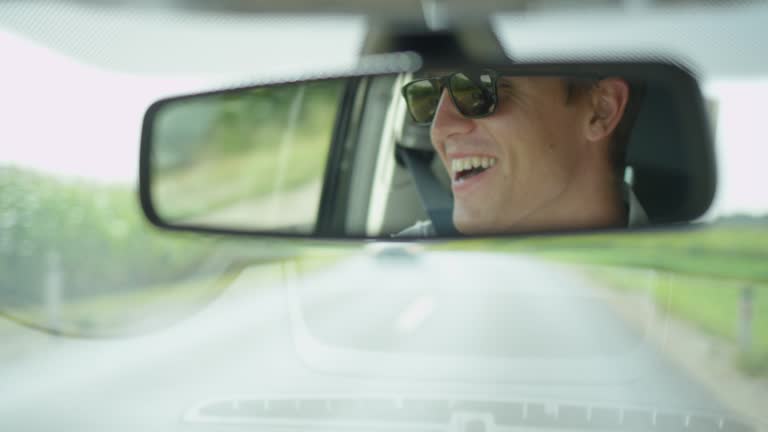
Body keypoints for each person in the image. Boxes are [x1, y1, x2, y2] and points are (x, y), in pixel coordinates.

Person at [397, 70, 647, 237]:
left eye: (479, 91)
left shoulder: (673, 289)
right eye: (427, 98)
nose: (439, 129)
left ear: (601, 109)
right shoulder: (395, 272)